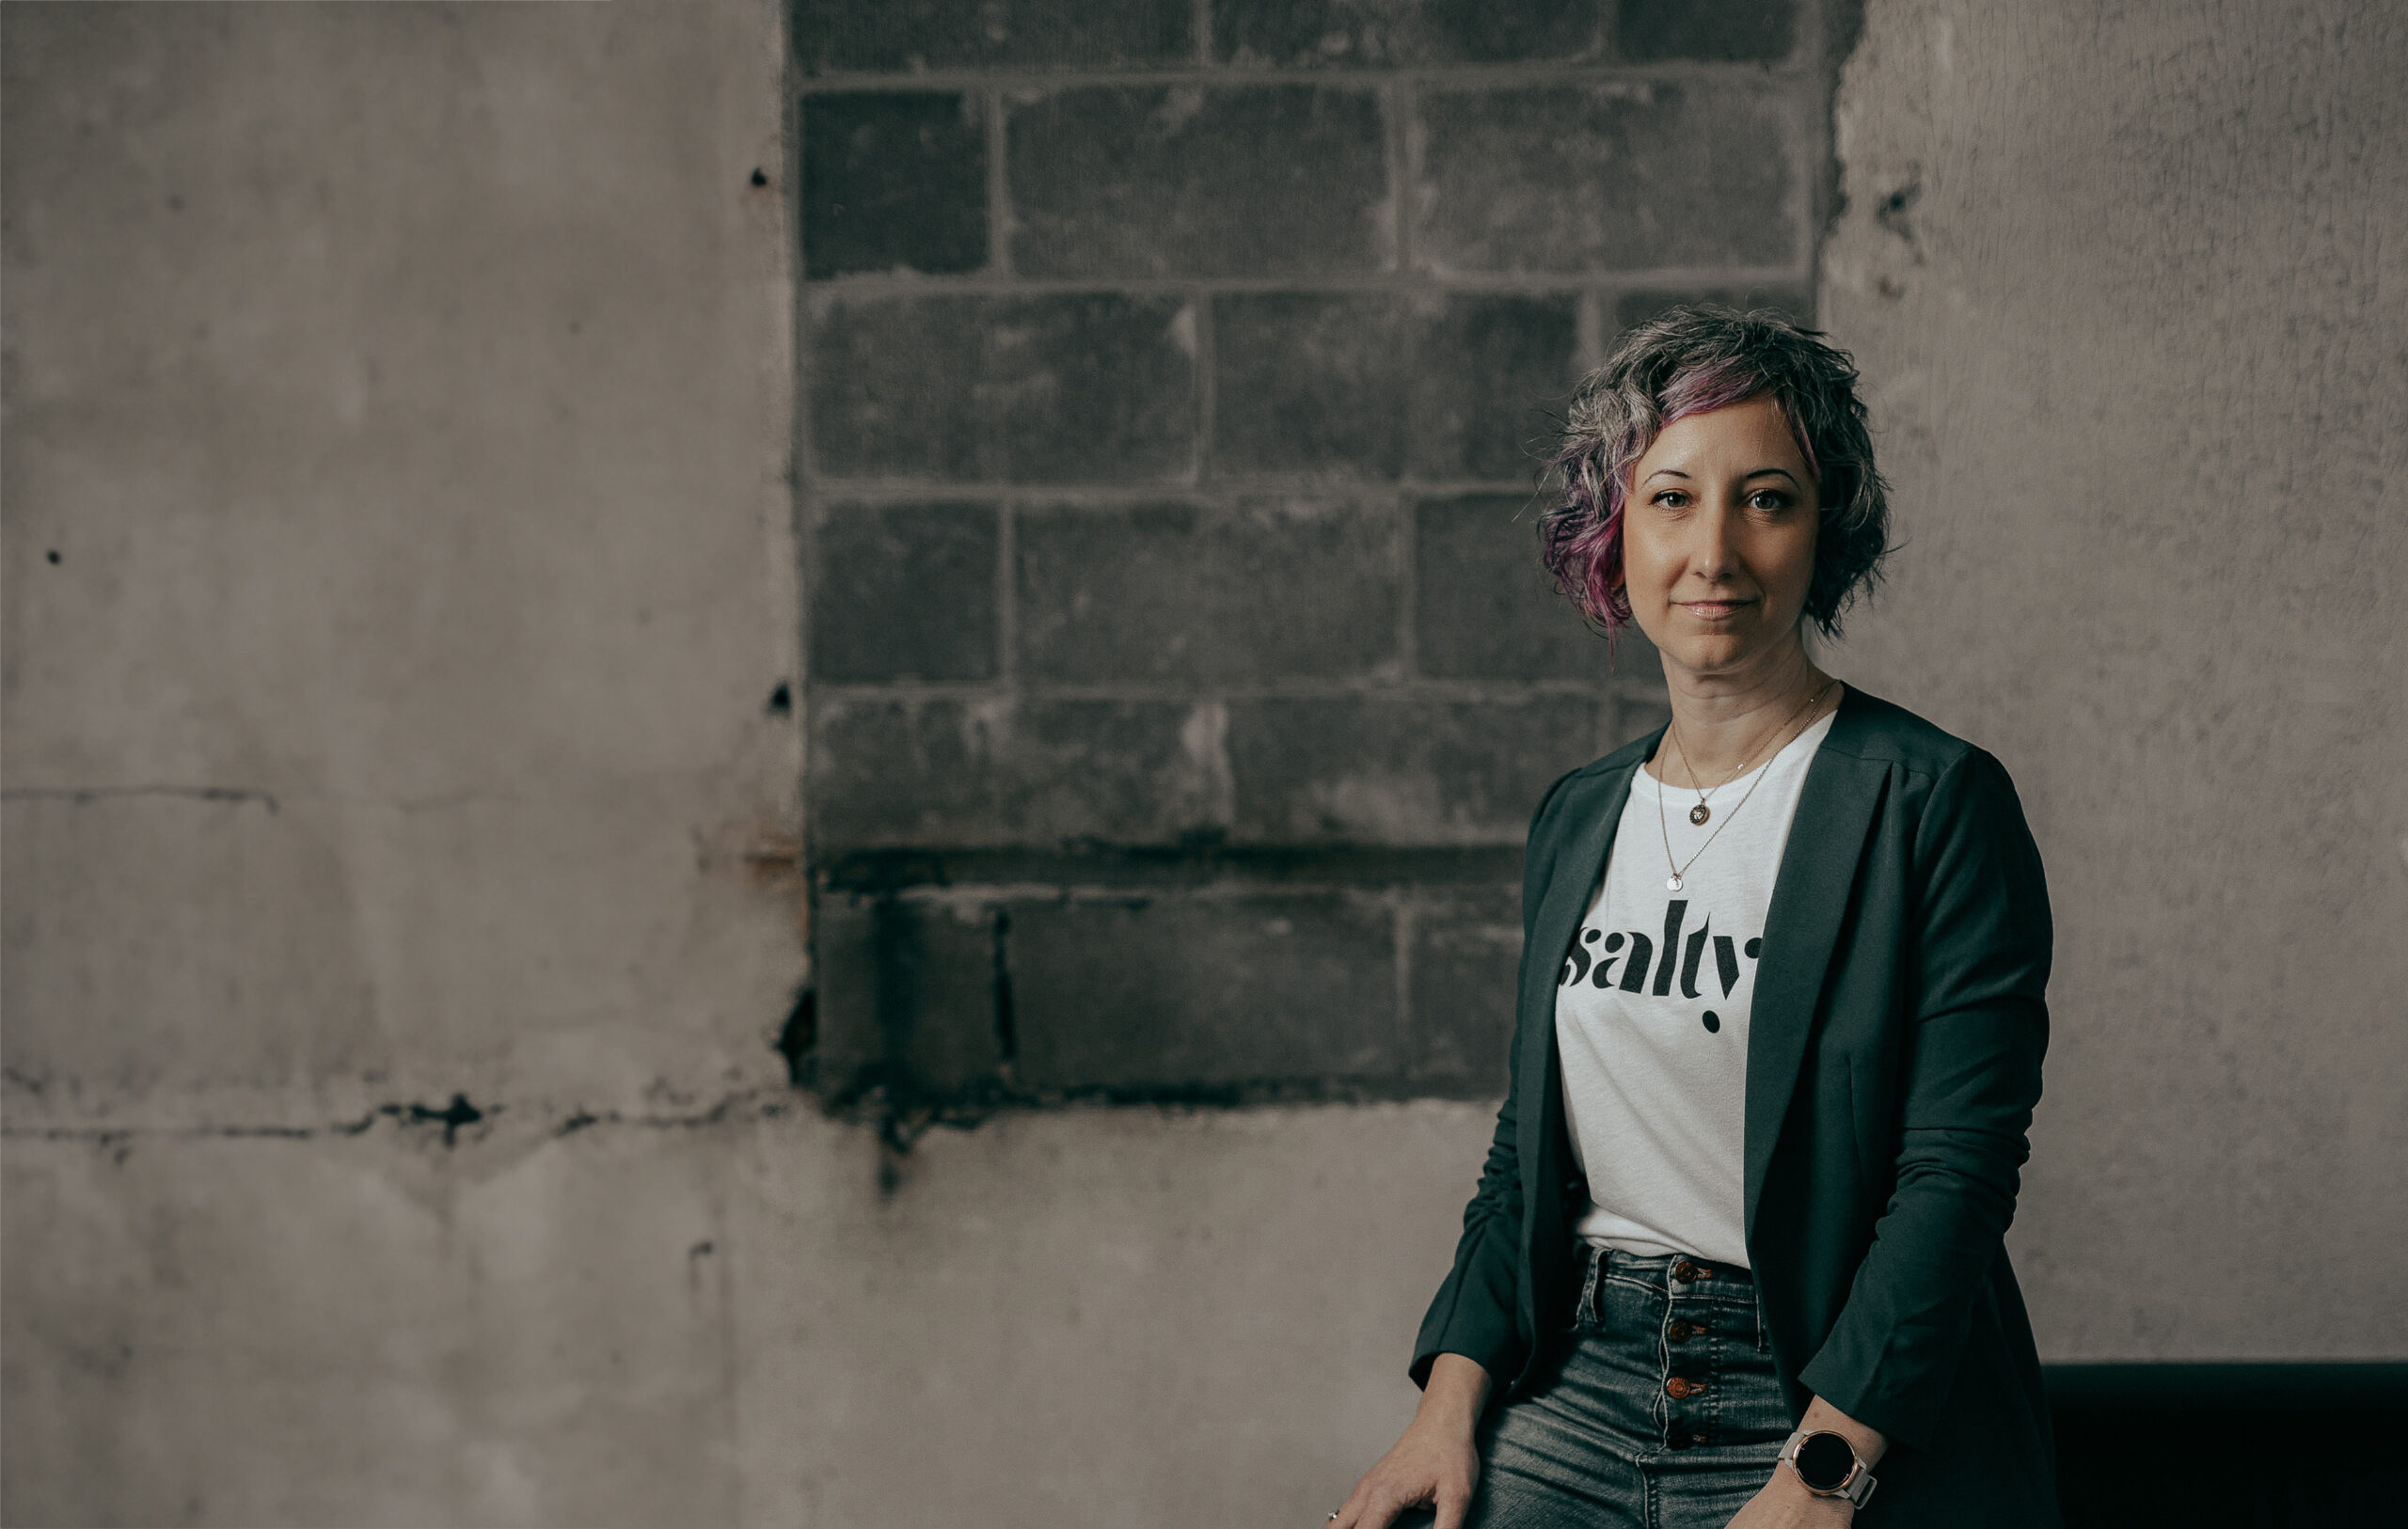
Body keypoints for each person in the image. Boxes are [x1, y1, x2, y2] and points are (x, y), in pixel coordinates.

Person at [1332, 307, 2061, 1528]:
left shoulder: (1933, 802)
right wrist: (1445, 1408)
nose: (1714, 548)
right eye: (1671, 498)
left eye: (1766, 497)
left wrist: (1823, 1477)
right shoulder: (1577, 817)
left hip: (1819, 1393)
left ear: (1824, 531)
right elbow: (1529, 1155)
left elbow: (1955, 1177)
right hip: (1580, 1375)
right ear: (1612, 537)